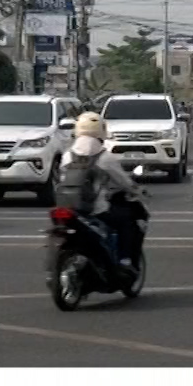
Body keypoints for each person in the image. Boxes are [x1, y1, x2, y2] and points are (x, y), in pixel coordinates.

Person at [63, 112, 147, 270]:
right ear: (101, 130)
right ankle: (125, 260)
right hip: (96, 210)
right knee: (127, 221)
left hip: (67, 208)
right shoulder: (104, 157)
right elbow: (124, 182)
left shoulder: (68, 155)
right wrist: (137, 191)